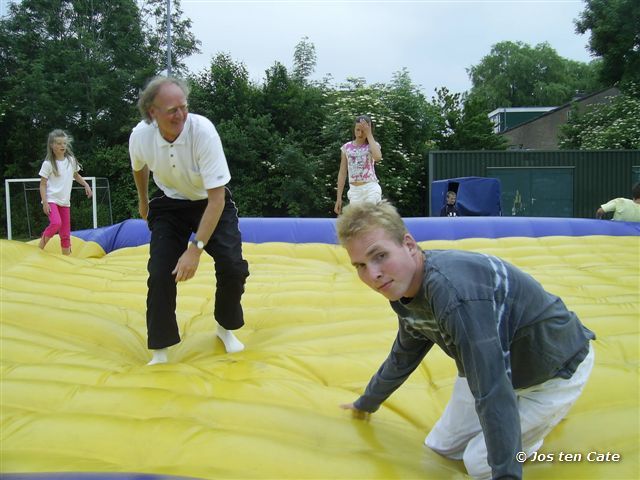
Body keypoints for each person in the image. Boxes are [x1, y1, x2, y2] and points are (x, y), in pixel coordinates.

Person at [336, 200, 595, 480]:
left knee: (479, 462)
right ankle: (522, 427)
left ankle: (529, 441)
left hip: (551, 372)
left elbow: (492, 387)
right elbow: (404, 355)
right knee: (440, 448)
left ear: (409, 245)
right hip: (494, 362)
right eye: (360, 265)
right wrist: (367, 402)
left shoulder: (455, 294)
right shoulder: (403, 293)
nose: (373, 274)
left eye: (380, 256)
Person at [129, 76, 250, 366]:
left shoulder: (203, 132)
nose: (180, 115)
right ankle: (160, 349)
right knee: (160, 272)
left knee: (233, 266)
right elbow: (139, 167)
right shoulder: (140, 136)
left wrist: (195, 249)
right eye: (172, 110)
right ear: (152, 113)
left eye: (184, 107)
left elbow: (217, 199)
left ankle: (225, 328)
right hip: (169, 206)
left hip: (209, 203)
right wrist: (144, 201)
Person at [38, 129, 93, 255]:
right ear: (52, 145)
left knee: (65, 232)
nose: (62, 146)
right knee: (56, 223)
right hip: (52, 199)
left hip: (65, 201)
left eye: (64, 143)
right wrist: (45, 202)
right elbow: (42, 184)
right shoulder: (48, 164)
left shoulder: (70, 160)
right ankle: (40, 248)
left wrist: (86, 185)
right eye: (58, 143)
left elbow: (76, 175)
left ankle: (66, 257)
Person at [334, 115, 383, 215]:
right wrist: (338, 198)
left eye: (363, 130)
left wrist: (369, 135)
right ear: (354, 129)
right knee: (358, 222)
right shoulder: (346, 148)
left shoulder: (372, 145)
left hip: (371, 188)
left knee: (368, 215)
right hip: (354, 191)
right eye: (358, 130)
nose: (360, 134)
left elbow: (378, 157)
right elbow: (342, 173)